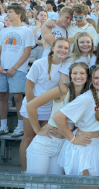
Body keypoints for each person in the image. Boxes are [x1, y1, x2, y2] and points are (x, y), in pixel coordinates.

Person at [25, 62, 89, 178]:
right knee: (36, 185)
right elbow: (30, 106)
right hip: (44, 144)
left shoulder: (85, 95)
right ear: (70, 76)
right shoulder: (63, 89)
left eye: (82, 73)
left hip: (62, 146)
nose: (78, 76)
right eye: (74, 73)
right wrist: (38, 130)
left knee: (55, 186)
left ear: (87, 76)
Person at [53, 64, 99, 177]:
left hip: (94, 148)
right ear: (91, 79)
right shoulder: (86, 98)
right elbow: (58, 117)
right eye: (96, 78)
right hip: (81, 149)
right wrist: (73, 139)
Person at [19, 38, 69, 173]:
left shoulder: (66, 66)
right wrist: (32, 107)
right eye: (60, 47)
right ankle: (25, 171)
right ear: (52, 48)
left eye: (66, 48)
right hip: (32, 105)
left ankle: (41, 171)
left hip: (50, 109)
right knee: (28, 137)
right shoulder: (39, 63)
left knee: (43, 139)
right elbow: (29, 87)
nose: (62, 50)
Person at [0, 5, 35, 137]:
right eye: (7, 12)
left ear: (19, 15)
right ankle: (3, 126)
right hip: (2, 69)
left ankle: (20, 127)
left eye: (10, 12)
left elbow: (27, 53)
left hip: (18, 69)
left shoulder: (27, 31)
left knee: (18, 97)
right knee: (2, 96)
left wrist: (14, 68)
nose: (7, 14)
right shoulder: (3, 31)